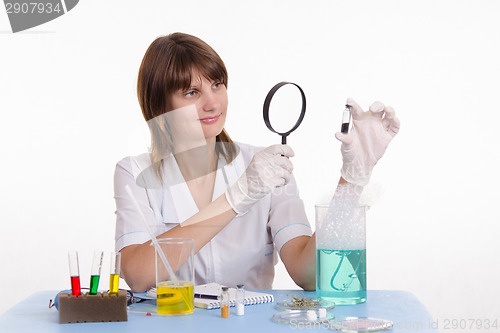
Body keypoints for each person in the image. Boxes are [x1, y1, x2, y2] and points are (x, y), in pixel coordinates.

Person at [113, 32, 400, 293]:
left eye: (217, 85)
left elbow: (308, 274)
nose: (212, 103)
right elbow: (138, 275)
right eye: (191, 92)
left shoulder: (267, 168)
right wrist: (237, 197)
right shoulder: (134, 172)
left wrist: (352, 178)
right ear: (159, 105)